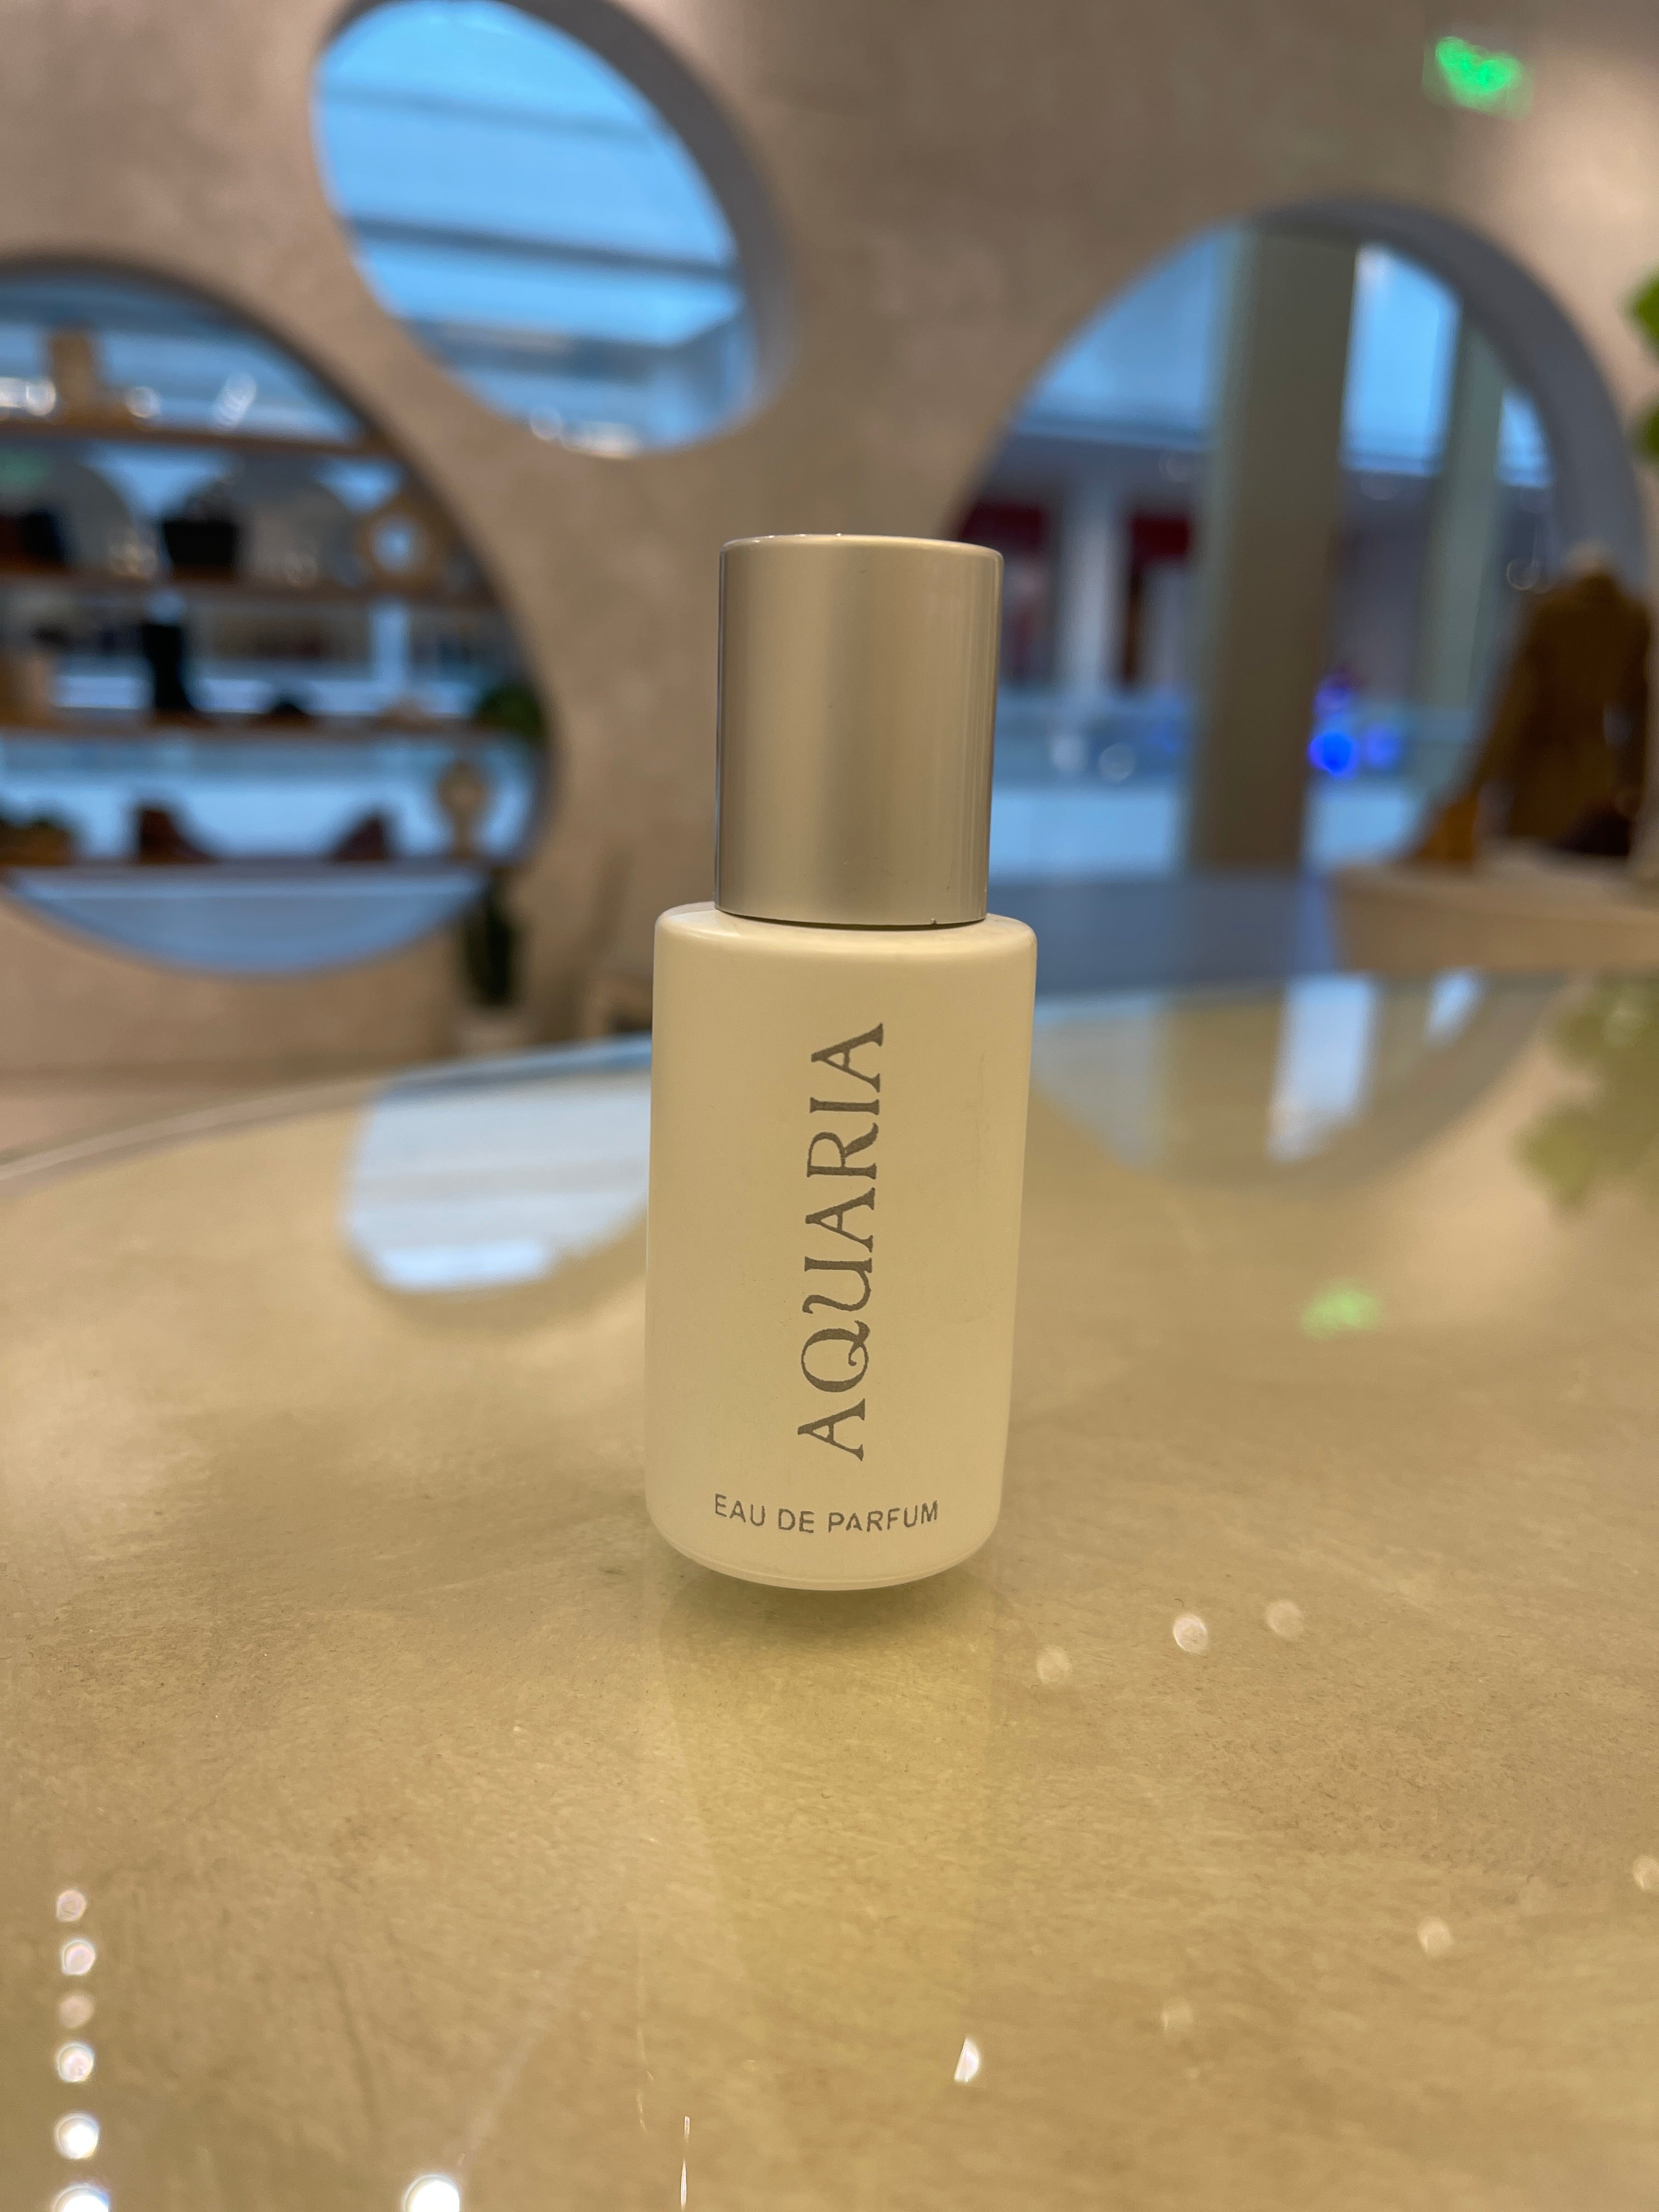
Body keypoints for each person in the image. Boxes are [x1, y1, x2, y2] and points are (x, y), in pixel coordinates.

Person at [1412, 544, 1650, 863]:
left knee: (1525, 874)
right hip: (1600, 786)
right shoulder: (1634, 619)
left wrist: (1473, 788)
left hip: (1540, 782)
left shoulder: (1550, 614)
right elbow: (1640, 719)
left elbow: (1513, 710)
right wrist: (1634, 789)